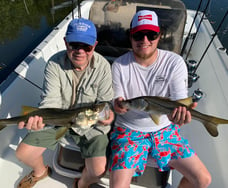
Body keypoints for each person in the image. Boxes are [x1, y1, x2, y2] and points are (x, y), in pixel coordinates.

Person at [109, 10, 211, 188]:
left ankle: (208, 121)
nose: (145, 40)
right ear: (131, 36)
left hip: (165, 129)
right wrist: (117, 106)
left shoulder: (174, 62)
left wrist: (180, 116)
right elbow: (117, 100)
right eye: (139, 35)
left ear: (159, 35)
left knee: (203, 179)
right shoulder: (119, 65)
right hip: (128, 131)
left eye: (151, 34)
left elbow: (179, 101)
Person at [16, 18, 114, 188]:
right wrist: (39, 121)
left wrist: (109, 116)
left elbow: (105, 103)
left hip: (91, 125)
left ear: (95, 45)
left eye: (87, 46)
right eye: (74, 44)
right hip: (57, 121)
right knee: (23, 154)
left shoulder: (103, 66)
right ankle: (41, 171)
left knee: (98, 171)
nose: (80, 51)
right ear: (65, 42)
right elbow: (50, 102)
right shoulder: (54, 63)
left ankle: (82, 182)